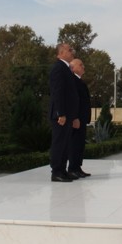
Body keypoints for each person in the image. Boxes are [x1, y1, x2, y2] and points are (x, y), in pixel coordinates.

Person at [48, 42, 80, 182]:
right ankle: (56, 172)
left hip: (67, 115)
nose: (72, 51)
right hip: (61, 115)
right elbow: (57, 92)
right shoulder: (58, 68)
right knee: (59, 143)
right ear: (60, 53)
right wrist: (60, 113)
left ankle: (62, 170)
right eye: (69, 50)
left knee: (65, 144)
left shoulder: (66, 69)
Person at [68, 58, 92, 178]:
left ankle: (77, 167)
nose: (83, 67)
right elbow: (73, 101)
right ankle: (72, 168)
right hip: (76, 119)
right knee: (74, 144)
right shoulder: (72, 81)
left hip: (82, 118)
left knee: (80, 144)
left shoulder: (79, 81)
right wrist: (75, 117)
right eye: (81, 65)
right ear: (73, 67)